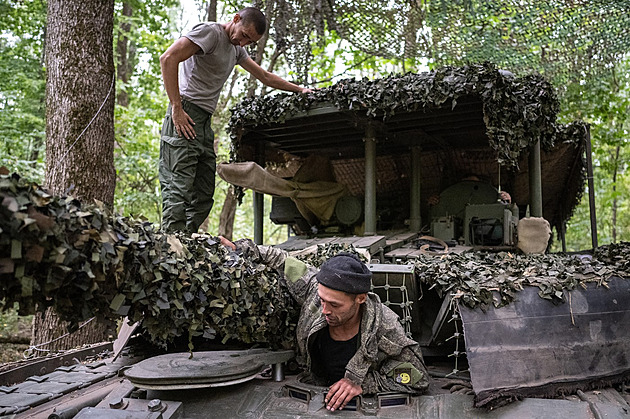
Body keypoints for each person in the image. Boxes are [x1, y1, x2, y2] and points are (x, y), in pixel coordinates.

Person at [220, 237, 429, 411]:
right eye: (322, 300)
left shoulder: (385, 327)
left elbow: (417, 377)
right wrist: (242, 249)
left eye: (335, 305)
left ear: (360, 299)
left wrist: (364, 383)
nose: (325, 310)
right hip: (311, 391)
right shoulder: (315, 290)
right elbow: (283, 262)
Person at [159, 7, 312, 232]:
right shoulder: (210, 33)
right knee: (178, 186)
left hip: (204, 122)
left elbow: (265, 76)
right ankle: (169, 245)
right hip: (185, 112)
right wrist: (176, 107)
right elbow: (168, 58)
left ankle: (183, 241)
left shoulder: (236, 50)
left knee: (203, 193)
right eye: (244, 35)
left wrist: (299, 90)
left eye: (250, 41)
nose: (243, 42)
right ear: (236, 19)